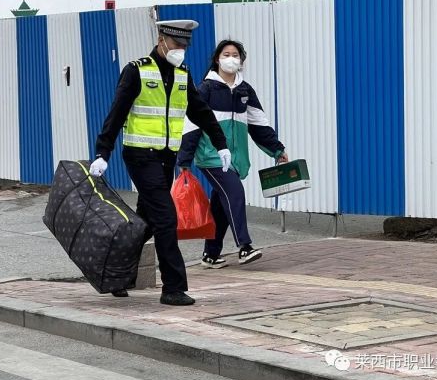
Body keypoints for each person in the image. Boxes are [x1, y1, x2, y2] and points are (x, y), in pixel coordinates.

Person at [89, 20, 231, 306]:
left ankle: (114, 274)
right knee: (166, 218)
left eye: (185, 46)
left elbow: (200, 111)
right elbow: (116, 114)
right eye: (177, 45)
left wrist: (221, 144)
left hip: (167, 158)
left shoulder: (182, 73)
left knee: (147, 221)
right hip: (141, 155)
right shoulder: (137, 70)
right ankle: (173, 288)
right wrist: (103, 153)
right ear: (161, 40)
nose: (181, 51)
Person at [177, 39, 288, 269]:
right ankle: (244, 246)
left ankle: (211, 254)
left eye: (236, 55)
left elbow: (258, 124)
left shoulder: (245, 90)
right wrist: (184, 159)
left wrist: (277, 149)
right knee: (234, 192)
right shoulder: (205, 89)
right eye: (226, 54)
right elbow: (191, 125)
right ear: (217, 59)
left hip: (236, 159)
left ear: (241, 61)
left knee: (221, 203)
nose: (231, 59)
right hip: (211, 156)